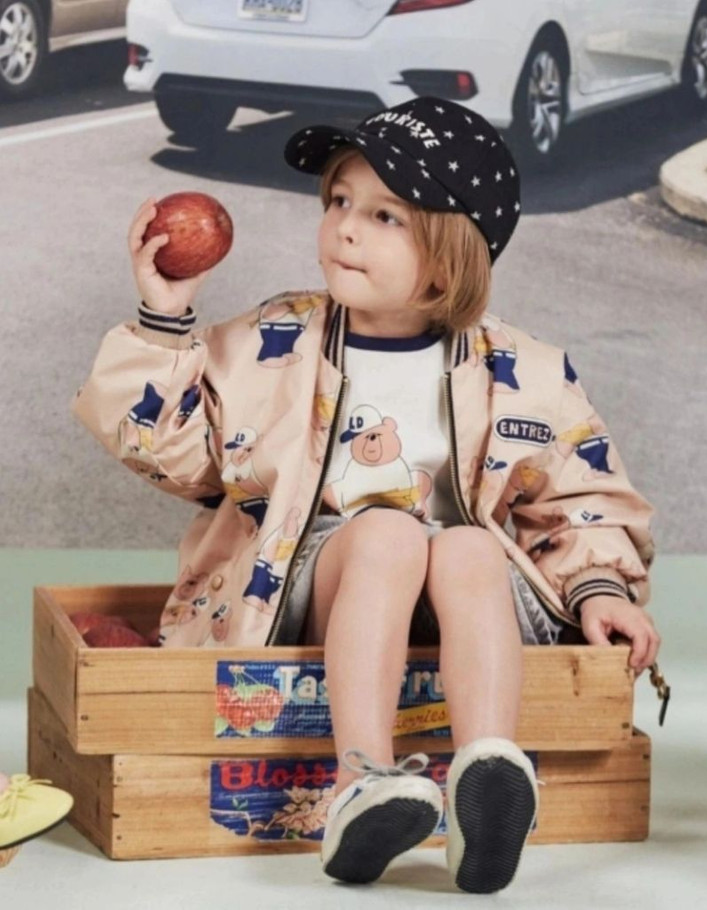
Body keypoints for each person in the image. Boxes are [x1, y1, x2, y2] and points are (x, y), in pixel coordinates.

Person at [72, 96, 659, 893]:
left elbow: (583, 494)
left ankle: (490, 770)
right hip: (320, 585)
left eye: (384, 216)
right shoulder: (272, 342)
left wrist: (599, 588)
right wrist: (163, 317)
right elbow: (171, 451)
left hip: (471, 602)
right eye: (340, 200)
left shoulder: (523, 372)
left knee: (470, 545)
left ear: (450, 258)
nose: (345, 227)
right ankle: (364, 782)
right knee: (387, 534)